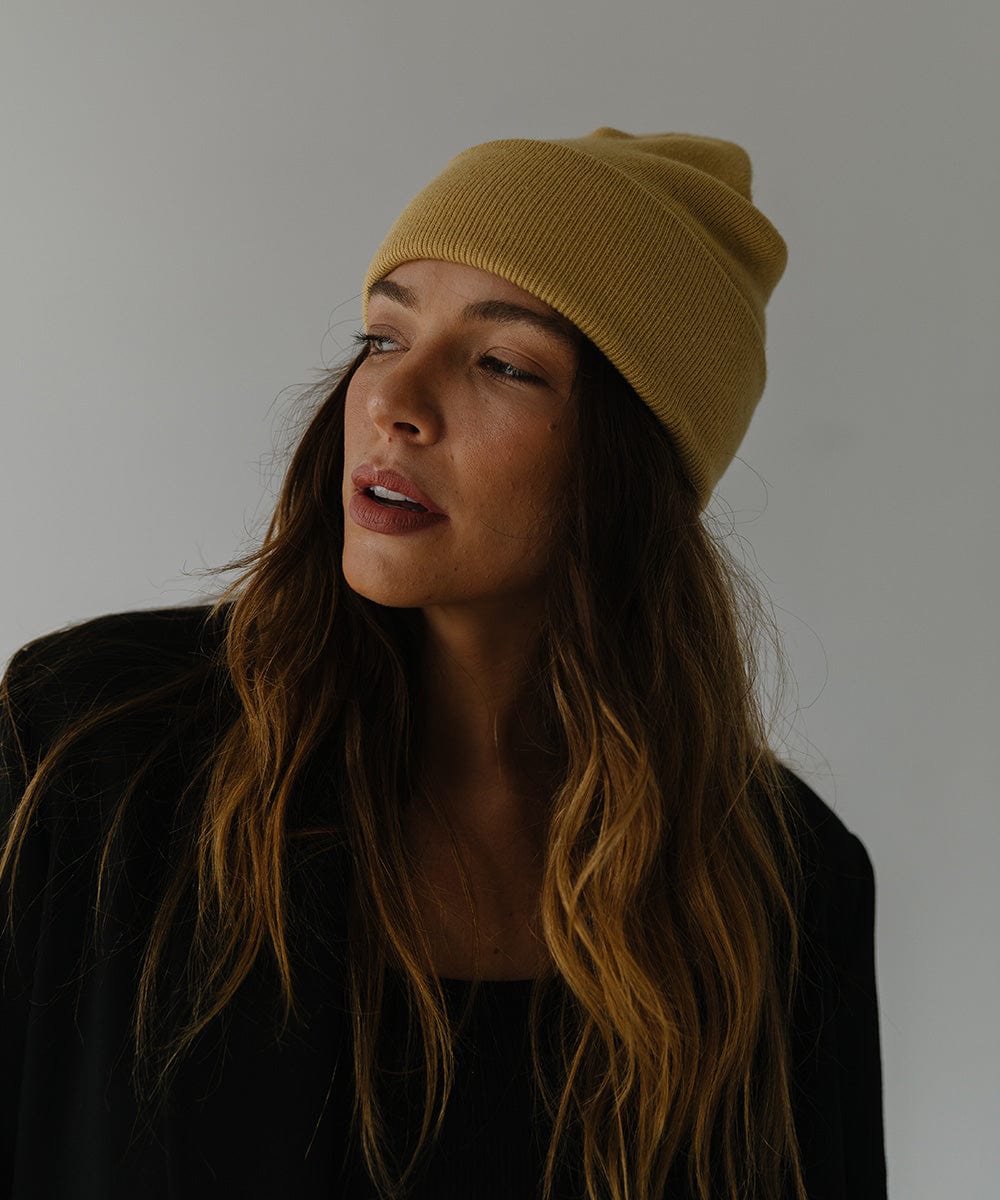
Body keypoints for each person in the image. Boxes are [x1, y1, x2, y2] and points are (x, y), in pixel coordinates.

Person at [0, 128, 887, 1199]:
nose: (392, 402)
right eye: (382, 337)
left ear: (632, 467)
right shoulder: (91, 743)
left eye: (503, 364)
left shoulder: (776, 884)